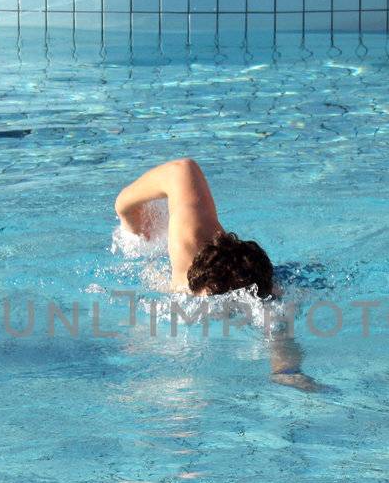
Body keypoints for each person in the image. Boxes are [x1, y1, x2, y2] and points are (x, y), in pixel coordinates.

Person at [113, 158, 322, 391]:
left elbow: (281, 341)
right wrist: (133, 225)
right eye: (216, 302)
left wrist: (286, 372)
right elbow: (182, 168)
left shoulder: (265, 295)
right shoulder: (189, 239)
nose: (223, 311)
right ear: (195, 281)